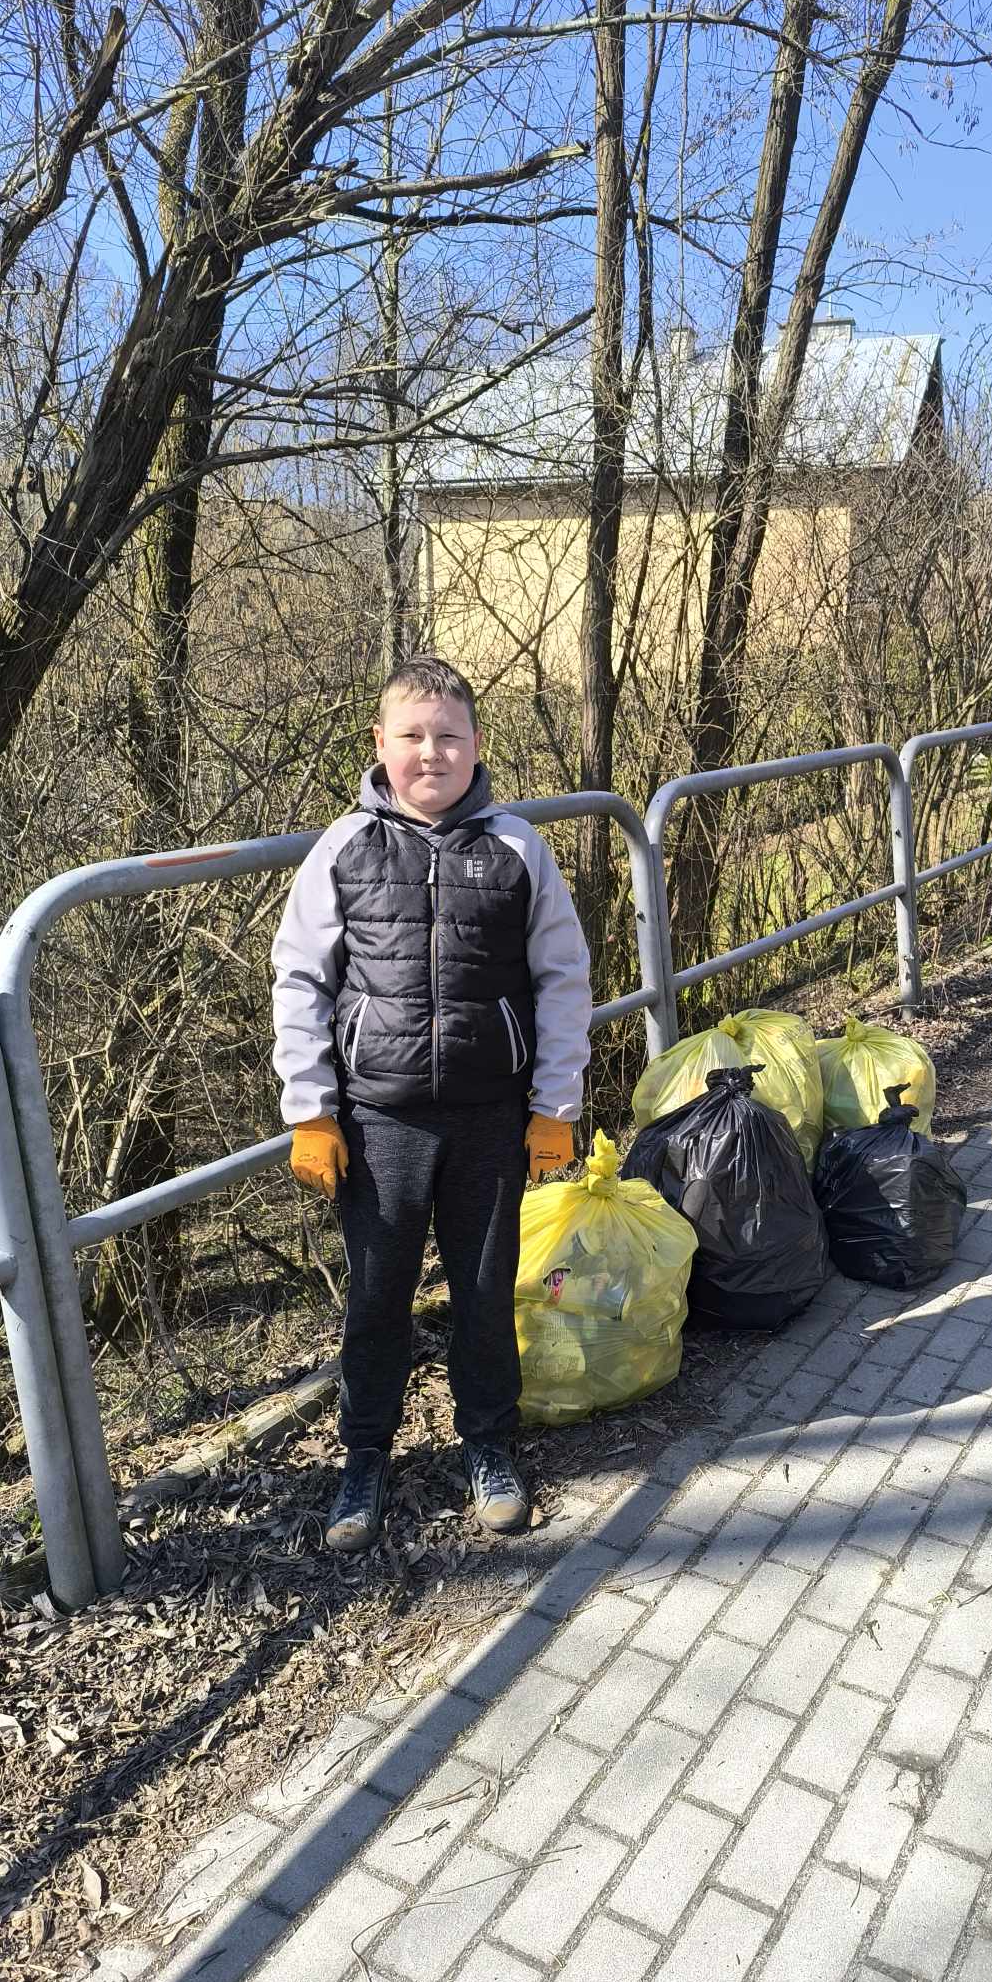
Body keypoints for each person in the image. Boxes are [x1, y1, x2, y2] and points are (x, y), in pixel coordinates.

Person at [270, 657, 592, 1551]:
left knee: (484, 1292)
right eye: (412, 735)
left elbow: (564, 980)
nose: (431, 752)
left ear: (476, 744)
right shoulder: (343, 848)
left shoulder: (518, 848)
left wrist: (555, 1107)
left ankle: (488, 1444)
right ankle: (365, 1456)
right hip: (378, 1122)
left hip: (492, 1117)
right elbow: (300, 979)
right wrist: (311, 1111)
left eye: (448, 735)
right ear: (380, 744)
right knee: (377, 1296)